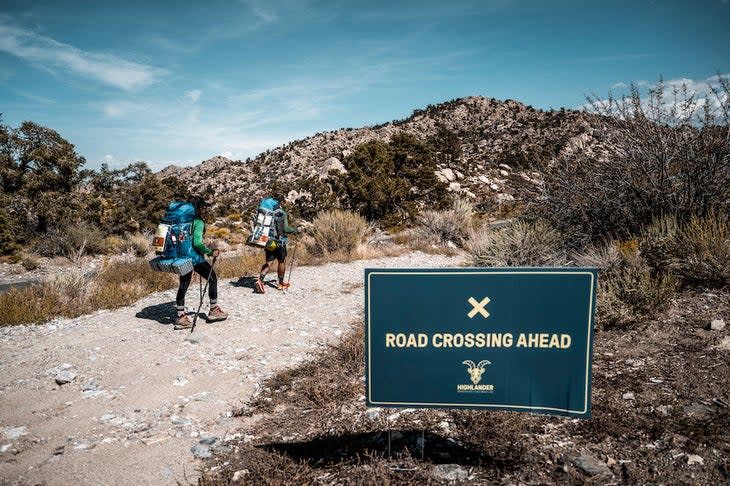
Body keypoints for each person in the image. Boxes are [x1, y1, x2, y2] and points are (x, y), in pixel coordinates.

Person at [174, 195, 229, 330]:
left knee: (184, 283)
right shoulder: (198, 221)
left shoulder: (181, 220)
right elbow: (197, 242)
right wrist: (210, 252)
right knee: (212, 278)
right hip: (194, 257)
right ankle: (213, 310)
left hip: (181, 256)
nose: (204, 209)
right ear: (197, 208)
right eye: (202, 207)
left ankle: (181, 316)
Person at [254, 198, 299, 293]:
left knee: (269, 262)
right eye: (286, 201)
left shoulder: (268, 213)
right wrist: (295, 230)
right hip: (279, 242)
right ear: (282, 201)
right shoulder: (281, 213)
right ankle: (281, 283)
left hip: (268, 240)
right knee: (281, 261)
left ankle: (260, 280)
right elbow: (286, 229)